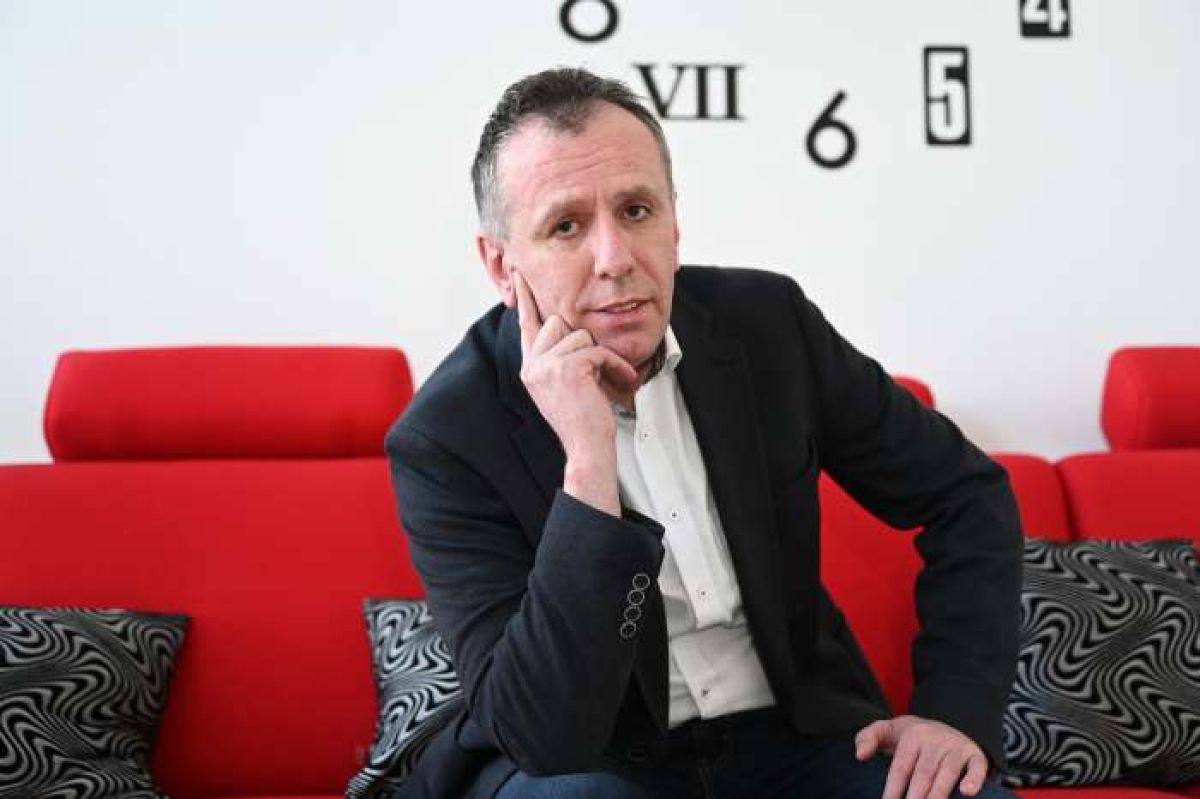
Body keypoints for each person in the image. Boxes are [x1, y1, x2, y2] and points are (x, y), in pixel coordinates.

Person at [385, 67, 1023, 799]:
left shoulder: (769, 325)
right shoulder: (447, 435)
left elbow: (966, 494)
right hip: (598, 764)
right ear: (502, 265)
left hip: (798, 739)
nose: (615, 259)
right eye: (566, 226)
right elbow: (544, 735)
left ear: (675, 223)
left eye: (636, 210)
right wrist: (588, 462)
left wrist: (954, 712)